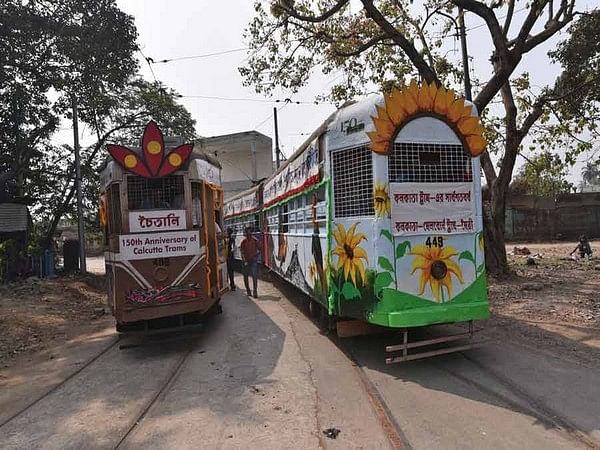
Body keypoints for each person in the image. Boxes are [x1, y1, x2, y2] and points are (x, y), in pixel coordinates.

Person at [240, 226, 259, 298]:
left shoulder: (255, 241)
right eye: (247, 232)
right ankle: (248, 290)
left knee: (254, 276)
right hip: (246, 261)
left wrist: (256, 255)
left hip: (253, 260)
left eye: (250, 232)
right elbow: (242, 252)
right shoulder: (243, 242)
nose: (249, 234)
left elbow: (259, 249)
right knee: (245, 276)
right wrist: (244, 260)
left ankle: (255, 291)